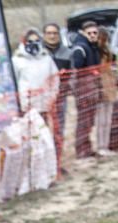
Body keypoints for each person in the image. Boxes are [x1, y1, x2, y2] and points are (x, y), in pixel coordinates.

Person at [70, 20, 102, 159]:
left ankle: (87, 148)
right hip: (84, 90)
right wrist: (89, 74)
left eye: (95, 32)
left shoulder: (93, 46)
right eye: (89, 33)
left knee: (89, 121)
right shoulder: (80, 48)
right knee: (84, 120)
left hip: (92, 88)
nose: (93, 35)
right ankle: (81, 150)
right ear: (84, 33)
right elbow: (77, 68)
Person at [42, 22, 73, 161]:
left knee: (59, 128)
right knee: (43, 129)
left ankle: (58, 159)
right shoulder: (40, 53)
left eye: (55, 33)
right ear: (44, 35)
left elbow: (74, 74)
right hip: (42, 97)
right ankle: (46, 159)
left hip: (61, 96)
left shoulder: (67, 52)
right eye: (49, 33)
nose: (52, 36)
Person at [12, 28, 58, 116]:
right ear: (24, 42)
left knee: (46, 128)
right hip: (28, 107)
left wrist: (52, 96)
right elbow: (15, 82)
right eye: (30, 41)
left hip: (46, 104)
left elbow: (55, 78)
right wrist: (22, 102)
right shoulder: (17, 60)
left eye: (37, 40)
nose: (33, 43)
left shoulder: (46, 58)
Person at [94, 27, 117, 157]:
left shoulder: (107, 51)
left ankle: (105, 145)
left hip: (109, 85)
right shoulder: (96, 53)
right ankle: (100, 145)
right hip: (102, 86)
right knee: (101, 120)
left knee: (107, 119)